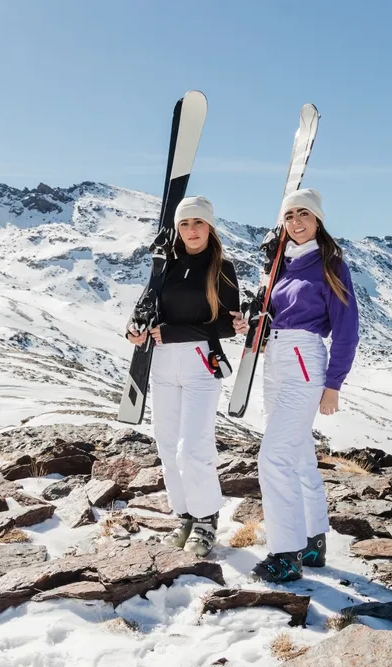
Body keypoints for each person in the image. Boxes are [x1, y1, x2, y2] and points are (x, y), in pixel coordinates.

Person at [232, 188, 359, 583]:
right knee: (299, 452)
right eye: (290, 216)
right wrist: (248, 326)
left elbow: (347, 329)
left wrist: (333, 383)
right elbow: (270, 318)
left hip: (305, 359)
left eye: (304, 214)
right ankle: (312, 540)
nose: (297, 222)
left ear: (318, 219)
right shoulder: (279, 266)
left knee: (274, 458)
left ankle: (285, 554)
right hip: (275, 360)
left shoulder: (330, 265)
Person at [127, 195, 240, 557]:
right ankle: (185, 516)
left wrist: (175, 333)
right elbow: (145, 309)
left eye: (199, 223)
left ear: (210, 227)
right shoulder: (164, 267)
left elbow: (228, 325)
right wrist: (135, 330)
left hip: (200, 365)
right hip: (161, 364)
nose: (192, 230)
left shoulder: (222, 268)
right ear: (177, 229)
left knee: (192, 448)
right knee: (166, 444)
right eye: (185, 224)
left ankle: (207, 520)